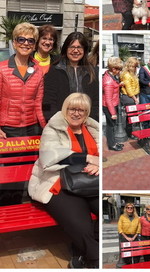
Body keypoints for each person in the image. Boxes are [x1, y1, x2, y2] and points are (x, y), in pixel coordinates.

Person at [28, 93, 99, 269]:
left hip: (90, 182)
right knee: (82, 227)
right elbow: (49, 158)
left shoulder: (93, 128)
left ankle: (81, 254)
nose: (76, 113)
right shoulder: (53, 127)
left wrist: (99, 166)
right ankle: (94, 260)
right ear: (65, 109)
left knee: (106, 212)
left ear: (87, 112)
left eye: (81, 110)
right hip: (57, 183)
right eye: (72, 109)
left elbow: (103, 157)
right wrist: (89, 158)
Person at [0, 22, 46, 205]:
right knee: (6, 174)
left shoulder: (38, 70)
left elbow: (38, 104)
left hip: (30, 129)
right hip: (7, 130)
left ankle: (17, 205)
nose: (26, 43)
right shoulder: (2, 68)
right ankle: (5, 210)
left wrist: (44, 129)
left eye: (30, 40)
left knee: (25, 172)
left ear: (34, 45)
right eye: (21, 39)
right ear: (14, 42)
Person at [43, 32, 99, 122]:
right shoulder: (55, 70)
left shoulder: (92, 71)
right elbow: (48, 101)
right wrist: (55, 121)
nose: (75, 51)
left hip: (87, 122)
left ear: (84, 50)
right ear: (65, 49)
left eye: (79, 47)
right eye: (72, 47)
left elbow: (96, 100)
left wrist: (90, 120)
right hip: (61, 122)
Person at [102, 57, 124, 151]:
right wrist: (113, 113)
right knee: (111, 126)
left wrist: (119, 85)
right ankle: (112, 145)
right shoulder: (108, 81)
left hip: (111, 105)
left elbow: (112, 90)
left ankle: (113, 142)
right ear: (114, 69)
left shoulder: (110, 76)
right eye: (119, 69)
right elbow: (108, 99)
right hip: (109, 106)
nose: (120, 71)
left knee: (112, 126)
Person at [120, 57, 140, 139]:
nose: (136, 68)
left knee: (132, 116)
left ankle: (131, 131)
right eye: (135, 66)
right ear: (131, 66)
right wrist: (135, 99)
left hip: (133, 96)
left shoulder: (132, 74)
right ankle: (129, 133)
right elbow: (129, 89)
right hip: (128, 97)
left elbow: (136, 86)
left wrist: (137, 97)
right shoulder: (126, 75)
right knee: (130, 116)